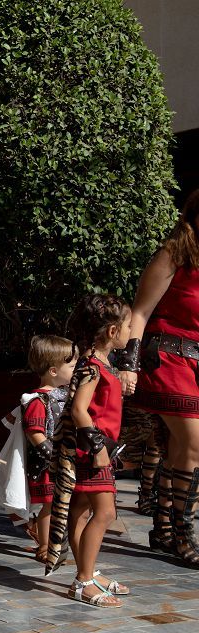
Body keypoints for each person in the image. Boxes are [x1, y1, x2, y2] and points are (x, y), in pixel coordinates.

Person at [122, 189, 199, 568]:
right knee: (192, 442)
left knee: (178, 448)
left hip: (197, 362)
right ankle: (184, 535)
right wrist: (128, 365)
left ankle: (164, 529)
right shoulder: (174, 253)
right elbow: (139, 312)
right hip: (166, 357)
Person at [50, 294, 132, 607]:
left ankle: (88, 573)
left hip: (96, 450)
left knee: (80, 511)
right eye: (126, 326)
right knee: (106, 512)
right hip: (91, 451)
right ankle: (84, 581)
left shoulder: (98, 363)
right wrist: (97, 447)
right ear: (112, 331)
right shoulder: (92, 366)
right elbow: (80, 410)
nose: (129, 331)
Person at [21, 335, 75, 562]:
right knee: (49, 505)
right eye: (71, 365)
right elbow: (34, 432)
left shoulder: (65, 397)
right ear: (53, 371)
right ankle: (44, 545)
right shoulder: (37, 401)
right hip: (45, 465)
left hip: (59, 462)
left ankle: (48, 540)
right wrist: (52, 455)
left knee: (56, 503)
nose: (75, 370)